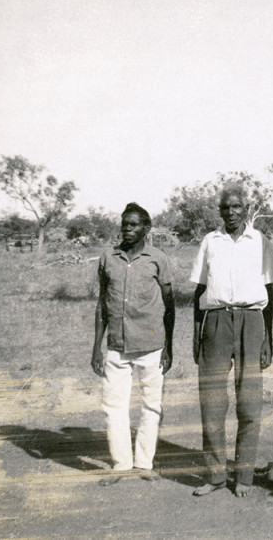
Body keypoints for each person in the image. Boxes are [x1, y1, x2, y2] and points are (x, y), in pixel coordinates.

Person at [189, 186, 273, 497]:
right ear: (220, 211)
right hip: (215, 322)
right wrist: (197, 335)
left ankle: (244, 478)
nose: (231, 212)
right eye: (225, 208)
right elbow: (199, 291)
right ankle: (214, 476)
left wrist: (268, 338)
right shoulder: (210, 242)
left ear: (246, 208)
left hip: (251, 320)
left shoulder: (260, 241)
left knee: (250, 403)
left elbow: (271, 291)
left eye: (236, 207)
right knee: (211, 402)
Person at [92, 202, 175, 485]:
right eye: (124, 224)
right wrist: (97, 347)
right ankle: (121, 465)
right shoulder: (108, 258)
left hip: (151, 345)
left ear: (146, 229)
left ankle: (144, 463)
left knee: (151, 406)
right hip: (116, 346)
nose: (127, 229)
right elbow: (102, 304)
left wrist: (169, 346)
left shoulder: (157, 259)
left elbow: (169, 303)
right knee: (114, 407)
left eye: (134, 224)